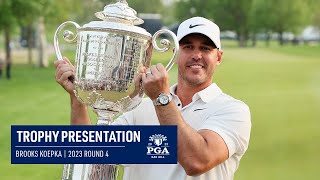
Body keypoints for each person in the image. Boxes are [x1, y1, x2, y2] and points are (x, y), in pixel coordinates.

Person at [55, 16, 251, 180]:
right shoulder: (138, 107)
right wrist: (78, 98)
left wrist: (160, 98)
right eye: (188, 47)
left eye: (206, 48)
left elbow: (196, 161)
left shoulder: (232, 110)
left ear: (219, 57)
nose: (196, 55)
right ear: (175, 53)